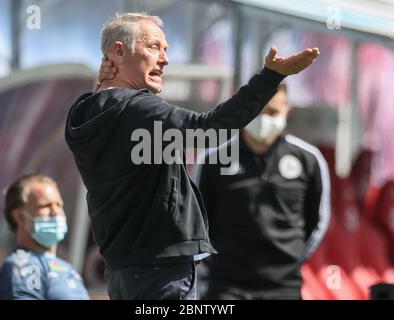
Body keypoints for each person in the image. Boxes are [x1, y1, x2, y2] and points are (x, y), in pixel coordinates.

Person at [65, 12, 320, 300]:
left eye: (166, 49)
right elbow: (209, 129)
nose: (164, 59)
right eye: (153, 47)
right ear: (118, 52)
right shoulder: (140, 111)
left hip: (123, 271)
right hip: (161, 274)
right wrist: (270, 78)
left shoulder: (83, 112)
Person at [193, 84, 331, 300]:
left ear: (287, 111)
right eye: (257, 111)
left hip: (284, 287)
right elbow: (197, 222)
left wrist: (290, 260)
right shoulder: (213, 159)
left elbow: (318, 222)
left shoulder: (309, 160)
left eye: (273, 112)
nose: (264, 118)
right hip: (227, 286)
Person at [0, 174, 89, 300]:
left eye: (59, 205)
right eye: (45, 206)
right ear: (20, 217)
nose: (56, 212)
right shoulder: (21, 266)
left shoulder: (68, 269)